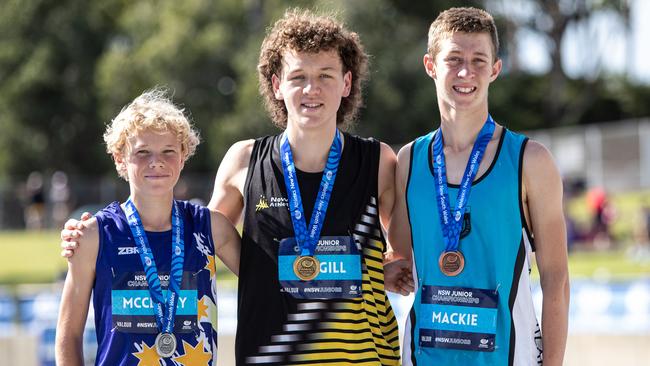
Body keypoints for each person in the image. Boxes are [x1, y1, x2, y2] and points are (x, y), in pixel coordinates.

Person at [61, 9, 403, 365]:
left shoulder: (378, 161)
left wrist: (384, 267)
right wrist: (92, 235)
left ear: (347, 83)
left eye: (325, 75)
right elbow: (189, 246)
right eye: (298, 75)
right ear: (276, 85)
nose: (311, 88)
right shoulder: (244, 162)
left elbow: (404, 256)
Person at [387, 7, 569, 366]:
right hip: (424, 357)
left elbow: (557, 280)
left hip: (508, 357)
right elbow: (398, 255)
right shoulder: (409, 160)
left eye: (478, 60)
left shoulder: (530, 161)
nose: (466, 71)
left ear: (495, 69)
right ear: (430, 66)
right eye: (453, 59)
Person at [55, 88, 240, 365]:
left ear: (183, 155)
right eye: (142, 152)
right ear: (120, 158)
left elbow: (267, 286)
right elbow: (68, 335)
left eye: (168, 151)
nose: (157, 162)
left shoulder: (210, 227)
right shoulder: (95, 235)